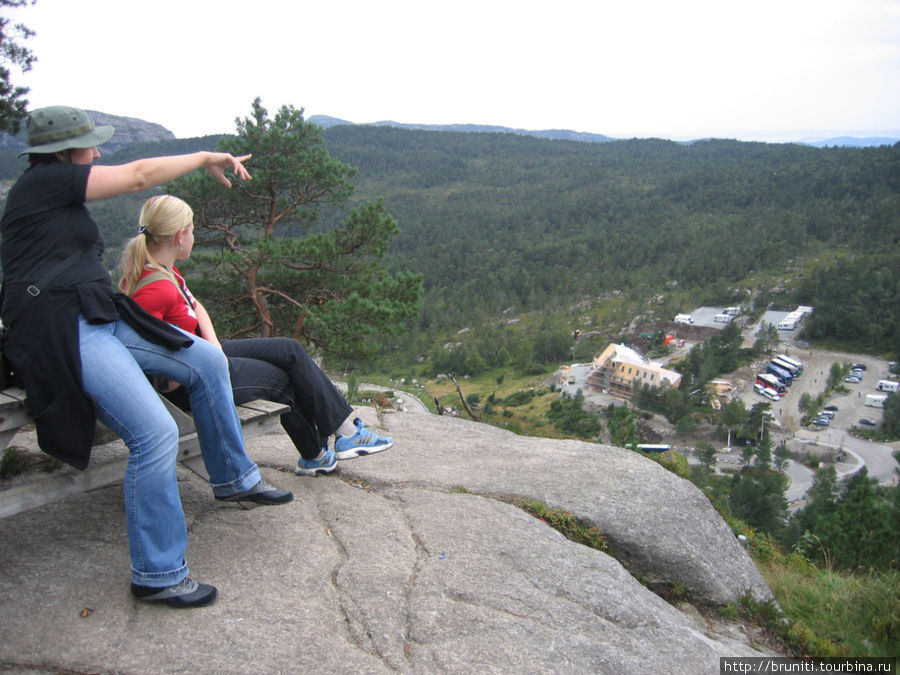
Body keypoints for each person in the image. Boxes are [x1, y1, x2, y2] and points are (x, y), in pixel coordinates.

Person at [0, 106, 294, 609]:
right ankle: (157, 574)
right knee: (154, 433)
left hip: (94, 311)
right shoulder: (44, 182)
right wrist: (205, 156)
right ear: (63, 153)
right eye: (89, 145)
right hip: (61, 328)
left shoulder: (53, 192)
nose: (96, 153)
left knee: (207, 360)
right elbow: (139, 176)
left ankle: (232, 477)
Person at [118, 195, 393, 475]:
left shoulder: (161, 268)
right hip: (196, 383)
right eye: (191, 230)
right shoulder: (154, 290)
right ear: (180, 236)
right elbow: (151, 364)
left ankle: (344, 431)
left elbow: (194, 305)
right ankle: (317, 453)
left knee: (289, 349)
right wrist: (207, 364)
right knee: (281, 380)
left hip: (206, 355)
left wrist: (213, 348)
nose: (194, 236)